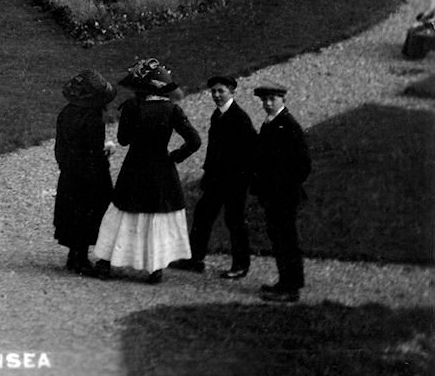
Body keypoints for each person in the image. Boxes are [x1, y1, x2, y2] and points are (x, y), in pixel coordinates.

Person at [90, 58, 201, 284]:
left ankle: (106, 261)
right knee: (155, 217)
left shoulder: (133, 107)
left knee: (123, 214)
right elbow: (195, 141)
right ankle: (155, 266)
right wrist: (174, 157)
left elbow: (123, 140)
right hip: (161, 169)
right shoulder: (172, 109)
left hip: (135, 168)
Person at [170, 75, 257, 278]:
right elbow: (213, 150)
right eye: (214, 92)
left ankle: (241, 265)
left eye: (221, 91)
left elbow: (250, 152)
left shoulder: (239, 118)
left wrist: (241, 179)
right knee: (202, 215)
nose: (216, 95)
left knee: (234, 220)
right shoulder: (217, 115)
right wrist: (208, 174)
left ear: (232, 92)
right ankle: (195, 258)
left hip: (234, 181)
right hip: (217, 180)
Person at [251, 82, 311, 303]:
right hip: (273, 195)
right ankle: (284, 281)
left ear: (282, 100)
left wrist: (284, 186)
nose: (267, 104)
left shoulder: (288, 125)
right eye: (264, 100)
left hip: (284, 196)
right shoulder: (271, 123)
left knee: (286, 240)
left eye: (272, 99)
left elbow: (303, 164)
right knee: (278, 238)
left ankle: (291, 287)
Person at [53, 69, 117, 276]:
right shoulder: (93, 118)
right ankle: (81, 257)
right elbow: (93, 150)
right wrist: (105, 154)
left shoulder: (65, 112)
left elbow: (60, 146)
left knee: (72, 212)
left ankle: (74, 254)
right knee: (89, 213)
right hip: (91, 174)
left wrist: (65, 166)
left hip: (70, 172)